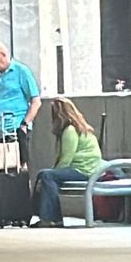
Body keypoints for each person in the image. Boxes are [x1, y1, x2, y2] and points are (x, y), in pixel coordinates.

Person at [30, 98, 103, 228]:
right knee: (46, 175)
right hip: (88, 169)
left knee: (46, 175)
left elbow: (66, 159)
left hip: (83, 170)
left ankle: (50, 217)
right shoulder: (79, 128)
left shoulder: (70, 131)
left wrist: (52, 172)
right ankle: (49, 217)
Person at [0, 42, 42, 168]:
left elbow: (36, 101)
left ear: (4, 55)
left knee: (17, 166)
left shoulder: (21, 71)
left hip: (16, 127)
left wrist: (24, 124)